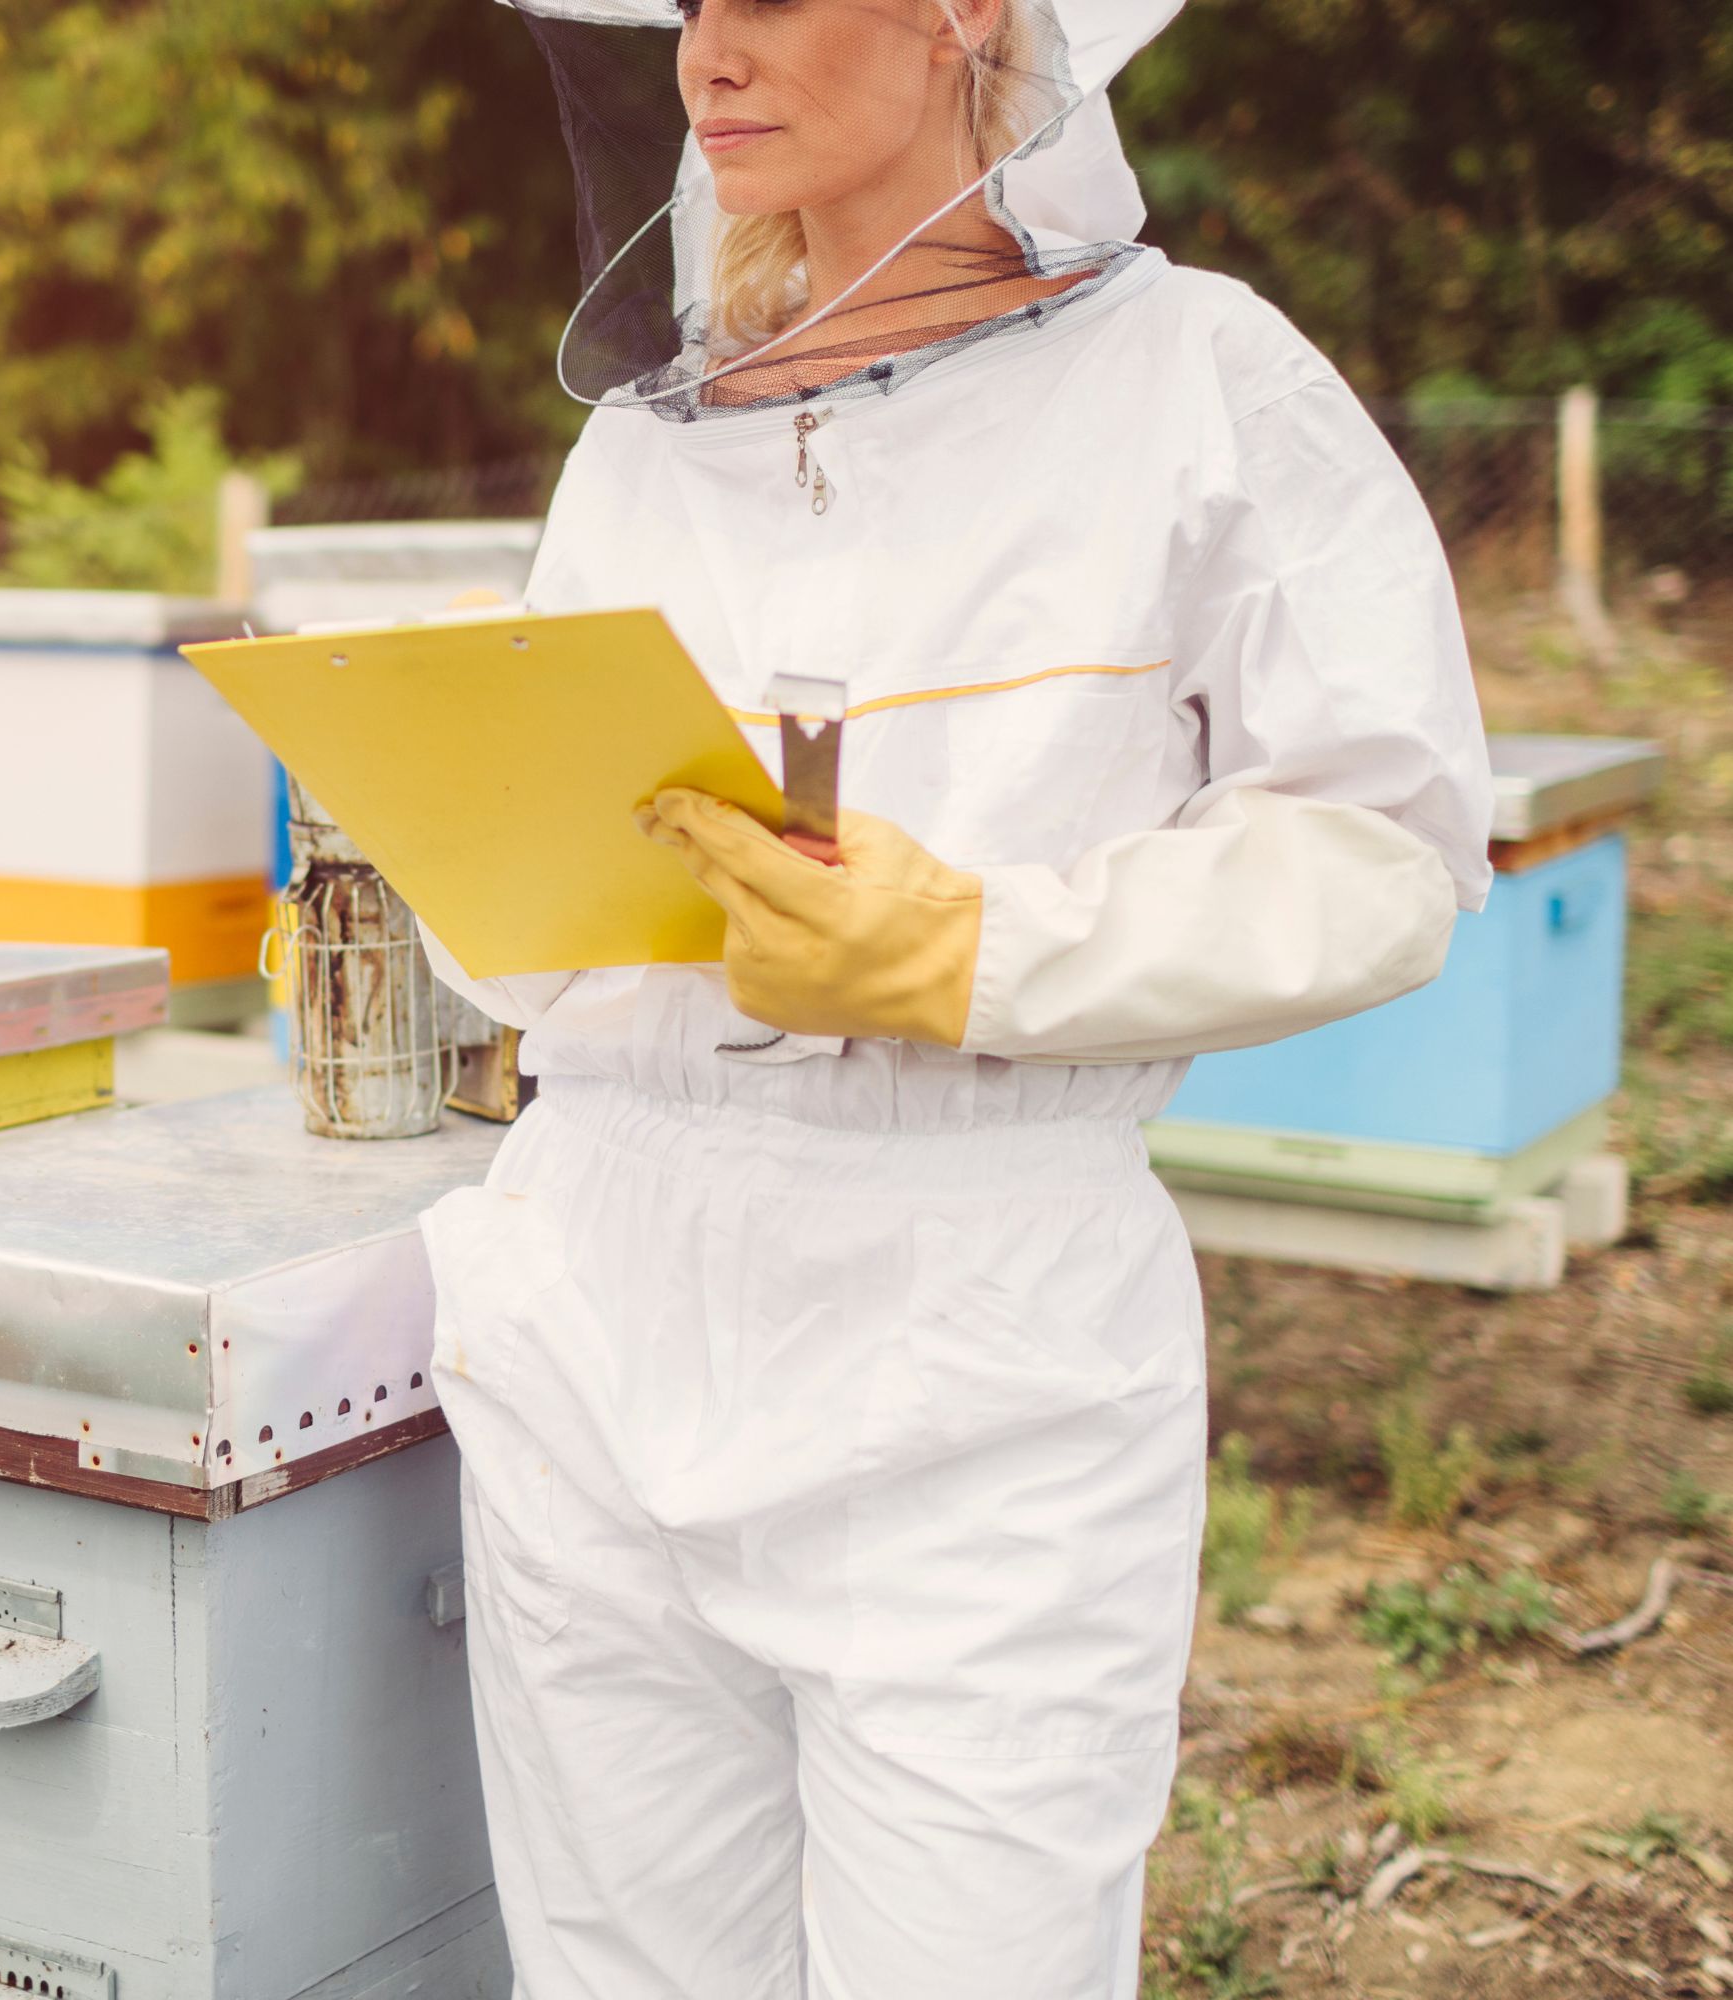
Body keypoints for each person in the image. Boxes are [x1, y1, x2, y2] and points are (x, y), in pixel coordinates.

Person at [412, 0, 1494, 1993]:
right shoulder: (646, 446)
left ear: (961, 14)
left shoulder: (1199, 381)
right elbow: (554, 925)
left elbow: (1386, 851)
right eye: (682, 9)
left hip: (975, 1350)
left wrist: (975, 950)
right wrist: (466, 839)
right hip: (599, 1285)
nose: (703, 56)